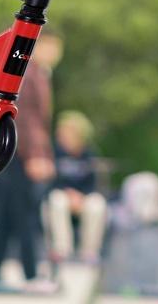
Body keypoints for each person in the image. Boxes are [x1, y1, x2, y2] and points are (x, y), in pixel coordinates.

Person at [0, 30, 63, 295]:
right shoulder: (30, 73)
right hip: (19, 156)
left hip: (15, 155)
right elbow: (25, 119)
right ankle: (30, 275)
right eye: (53, 47)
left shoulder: (37, 73)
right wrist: (35, 156)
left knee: (6, 218)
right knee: (25, 217)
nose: (56, 54)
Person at [46, 110, 107, 265]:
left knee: (97, 204)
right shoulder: (53, 153)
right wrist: (69, 194)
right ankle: (62, 251)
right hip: (62, 195)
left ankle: (89, 252)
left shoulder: (89, 154)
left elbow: (94, 184)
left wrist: (81, 196)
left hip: (82, 198)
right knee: (57, 200)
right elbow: (49, 182)